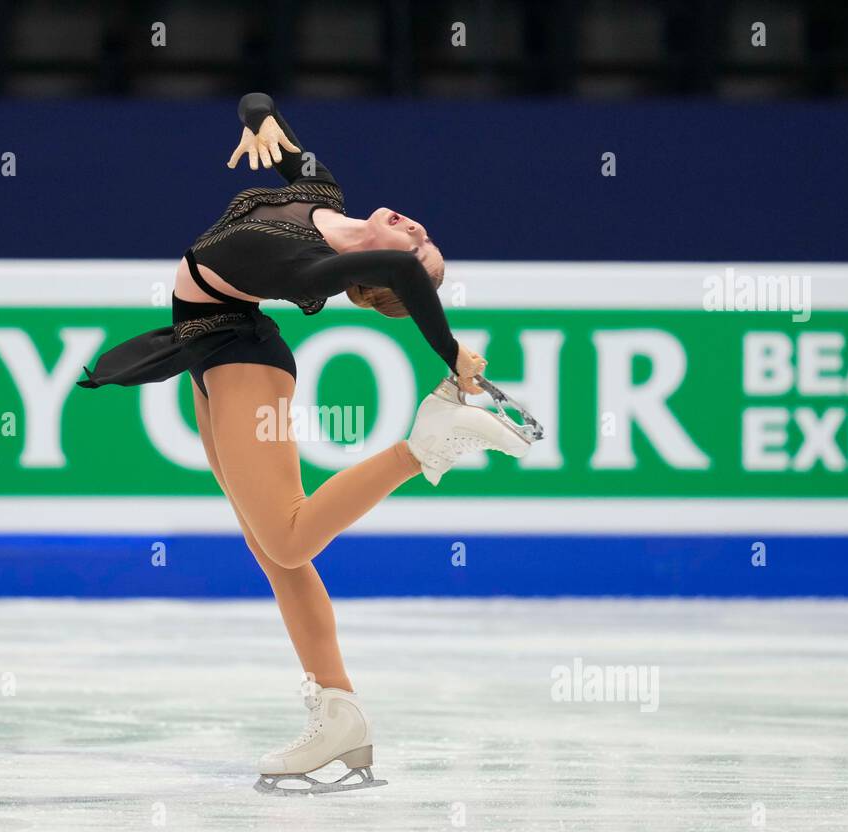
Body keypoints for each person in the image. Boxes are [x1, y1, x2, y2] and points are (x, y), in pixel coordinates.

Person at [80, 93, 532, 794]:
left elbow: (410, 276)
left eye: (414, 243)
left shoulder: (307, 269)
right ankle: (338, 709)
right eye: (421, 230)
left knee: (288, 539)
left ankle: (422, 447)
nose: (414, 227)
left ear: (386, 272)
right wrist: (257, 117)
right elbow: (260, 104)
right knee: (274, 553)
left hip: (243, 357)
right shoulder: (322, 187)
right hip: (207, 350)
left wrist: (448, 353)